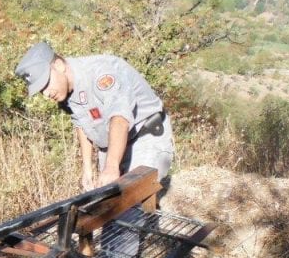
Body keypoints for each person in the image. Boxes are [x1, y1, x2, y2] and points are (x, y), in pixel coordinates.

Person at [14, 42, 173, 191]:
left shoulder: (100, 73)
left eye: (46, 84)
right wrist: (87, 168)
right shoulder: (65, 90)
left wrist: (111, 166)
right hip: (113, 146)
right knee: (108, 204)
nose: (46, 94)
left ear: (59, 65)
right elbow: (82, 125)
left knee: (132, 202)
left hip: (144, 137)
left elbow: (119, 119)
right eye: (41, 90)